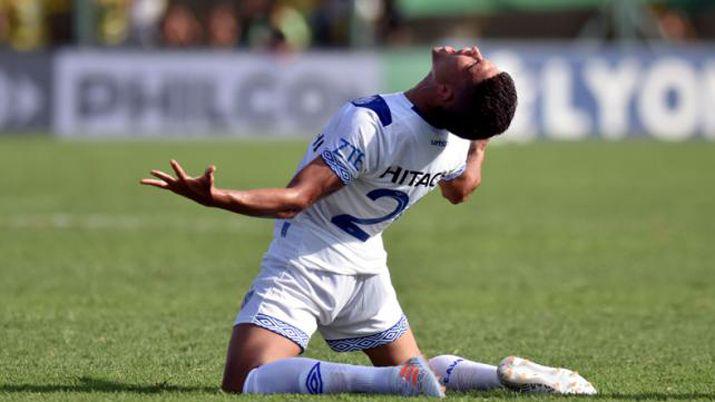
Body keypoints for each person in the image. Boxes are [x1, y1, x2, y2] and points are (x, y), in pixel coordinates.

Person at [141, 45, 597, 397]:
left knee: (245, 378)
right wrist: (480, 140)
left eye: (475, 65)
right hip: (367, 271)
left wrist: (216, 196)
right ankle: (497, 378)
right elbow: (461, 189)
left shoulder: (372, 120)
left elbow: (295, 200)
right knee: (415, 364)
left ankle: (387, 384)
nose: (473, 52)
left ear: (445, 92)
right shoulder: (454, 143)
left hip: (306, 261)